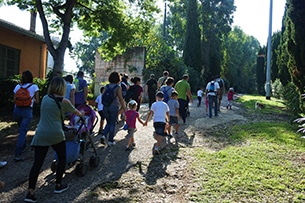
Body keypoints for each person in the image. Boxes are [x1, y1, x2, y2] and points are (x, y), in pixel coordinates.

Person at [24, 77, 85, 203]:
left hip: (41, 133)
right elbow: (77, 113)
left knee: (37, 164)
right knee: (62, 158)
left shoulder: (45, 99)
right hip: (56, 134)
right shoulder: (65, 101)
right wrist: (82, 114)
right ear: (62, 88)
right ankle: (58, 185)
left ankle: (30, 193)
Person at [13, 70, 39, 161]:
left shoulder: (17, 86)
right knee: (23, 132)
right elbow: (37, 100)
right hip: (27, 111)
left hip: (17, 110)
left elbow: (14, 99)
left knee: (21, 129)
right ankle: (18, 153)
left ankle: (22, 145)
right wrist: (30, 100)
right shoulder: (34, 87)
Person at [100, 72, 126, 146]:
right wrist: (124, 107)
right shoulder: (118, 87)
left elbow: (102, 96)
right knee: (112, 124)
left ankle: (103, 135)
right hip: (114, 107)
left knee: (108, 122)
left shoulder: (106, 86)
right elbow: (120, 98)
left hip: (106, 106)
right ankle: (110, 140)